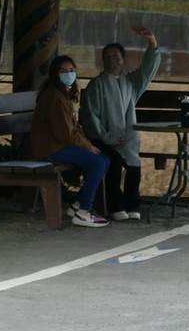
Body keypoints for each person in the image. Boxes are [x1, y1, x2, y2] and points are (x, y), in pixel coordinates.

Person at [79, 25, 162, 221]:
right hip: (102, 139)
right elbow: (91, 118)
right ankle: (114, 205)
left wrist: (152, 42)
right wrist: (108, 139)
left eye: (115, 56)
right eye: (107, 57)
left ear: (123, 60)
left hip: (127, 139)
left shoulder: (130, 83)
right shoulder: (96, 85)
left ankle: (132, 205)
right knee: (113, 163)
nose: (111, 60)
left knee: (134, 165)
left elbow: (147, 71)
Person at [31, 55, 110, 228]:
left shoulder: (63, 93)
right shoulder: (55, 97)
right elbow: (65, 134)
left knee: (103, 159)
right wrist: (88, 147)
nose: (69, 74)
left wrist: (88, 146)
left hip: (58, 145)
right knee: (98, 162)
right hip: (51, 149)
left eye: (72, 71)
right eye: (63, 71)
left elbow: (74, 129)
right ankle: (83, 211)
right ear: (55, 74)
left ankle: (78, 205)